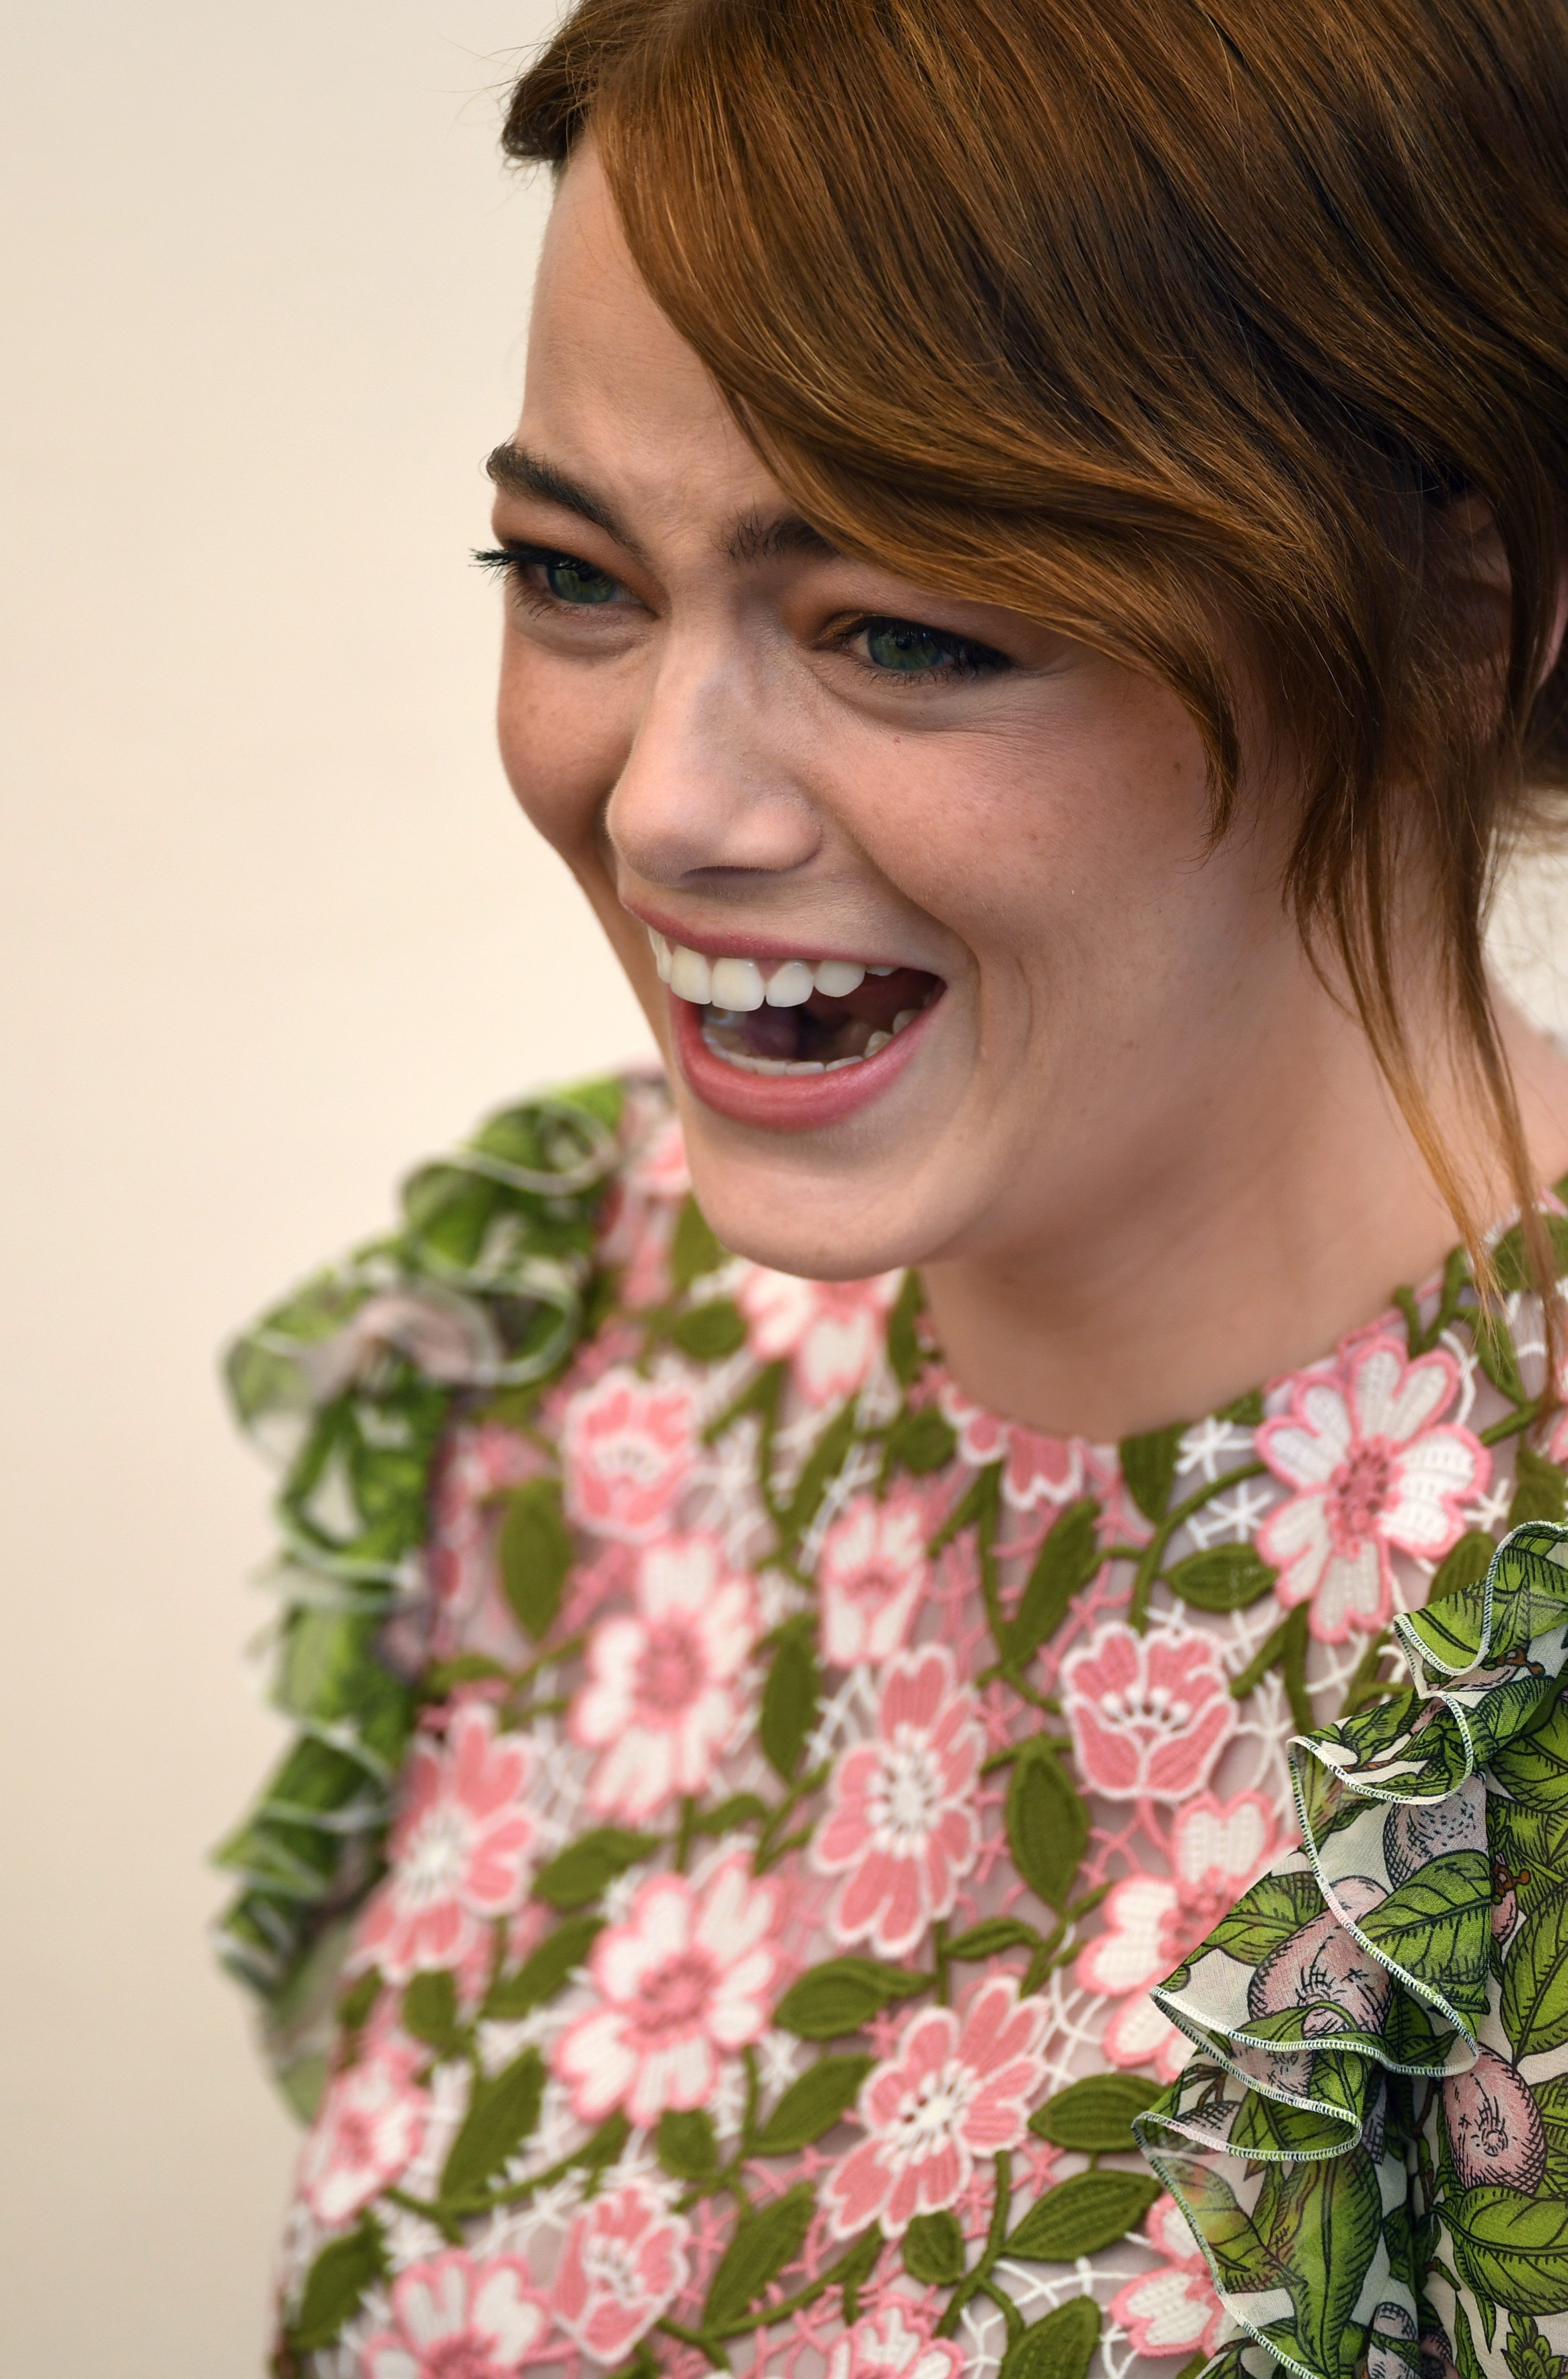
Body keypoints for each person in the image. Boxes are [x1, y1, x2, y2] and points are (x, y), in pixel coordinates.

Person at [219, 5, 1568, 2376]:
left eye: (908, 630)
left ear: (1463, 614)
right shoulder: (574, 1341)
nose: (664, 800)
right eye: (573, 575)